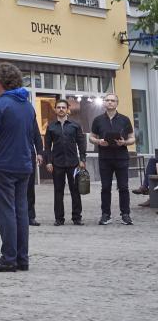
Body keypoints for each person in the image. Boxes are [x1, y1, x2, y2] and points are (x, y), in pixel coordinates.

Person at [0, 63, 40, 272]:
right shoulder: (27, 106)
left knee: (6, 211)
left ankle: (9, 258)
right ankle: (22, 258)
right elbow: (33, 135)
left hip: (3, 164)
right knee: (21, 211)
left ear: (0, 82)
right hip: (24, 164)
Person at [89, 93, 135, 225]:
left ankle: (125, 214)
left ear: (117, 103)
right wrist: (98, 141)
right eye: (107, 100)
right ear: (104, 102)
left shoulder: (125, 119)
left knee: (123, 187)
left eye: (113, 100)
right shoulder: (98, 120)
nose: (110, 102)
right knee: (105, 187)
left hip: (121, 157)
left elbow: (132, 138)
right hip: (105, 158)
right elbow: (91, 137)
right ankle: (106, 215)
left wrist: (124, 142)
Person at [43, 99, 86, 226]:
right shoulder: (51, 127)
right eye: (58, 107)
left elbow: (81, 143)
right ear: (55, 109)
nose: (61, 109)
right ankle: (59, 219)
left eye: (63, 107)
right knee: (58, 191)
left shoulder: (75, 125)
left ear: (67, 109)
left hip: (73, 163)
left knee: (75, 191)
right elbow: (47, 147)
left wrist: (82, 159)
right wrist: (48, 162)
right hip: (57, 164)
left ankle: (77, 218)